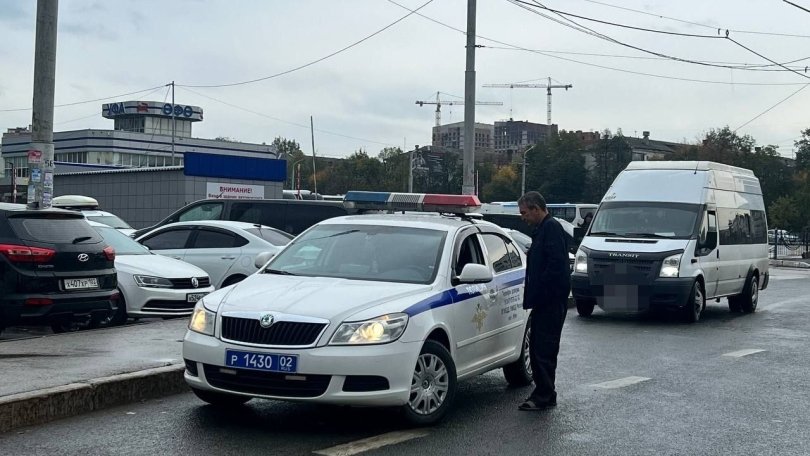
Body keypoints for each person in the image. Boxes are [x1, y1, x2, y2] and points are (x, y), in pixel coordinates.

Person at [517, 191, 571, 411]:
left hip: (550, 301)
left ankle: (544, 395)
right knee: (540, 347)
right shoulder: (543, 229)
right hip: (545, 300)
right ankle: (544, 392)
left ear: (536, 209)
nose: (523, 217)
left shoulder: (551, 229)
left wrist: (540, 292)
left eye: (525, 213)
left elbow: (556, 267)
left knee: (544, 348)